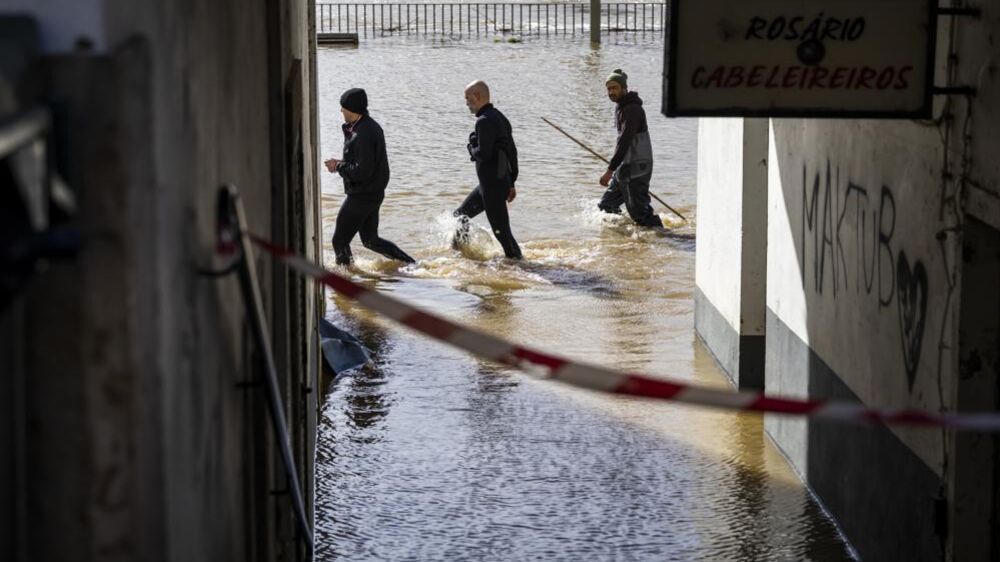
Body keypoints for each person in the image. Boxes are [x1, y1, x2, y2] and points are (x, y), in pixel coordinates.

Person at [325, 88, 416, 266]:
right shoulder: (364, 127)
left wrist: (338, 166)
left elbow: (361, 171)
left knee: (339, 241)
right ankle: (411, 265)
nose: (341, 111)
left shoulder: (364, 134)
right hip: (372, 194)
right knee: (370, 240)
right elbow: (363, 164)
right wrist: (341, 163)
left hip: (362, 196)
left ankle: (346, 280)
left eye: (343, 107)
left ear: (352, 109)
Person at [452, 80, 523, 259]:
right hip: (492, 184)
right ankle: (461, 254)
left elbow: (482, 154)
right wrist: (512, 182)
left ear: (476, 97)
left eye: (467, 99)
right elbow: (512, 152)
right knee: (460, 216)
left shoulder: (484, 121)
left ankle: (519, 263)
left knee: (501, 232)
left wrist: (470, 145)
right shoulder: (499, 116)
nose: (466, 103)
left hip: (493, 185)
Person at [597, 69, 663, 228]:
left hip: (637, 168)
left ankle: (665, 239)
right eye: (609, 88)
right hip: (625, 166)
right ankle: (627, 243)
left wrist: (609, 170)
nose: (611, 91)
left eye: (615, 88)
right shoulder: (621, 106)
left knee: (641, 216)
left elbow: (625, 141)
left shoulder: (632, 109)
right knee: (607, 206)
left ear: (624, 88)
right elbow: (622, 142)